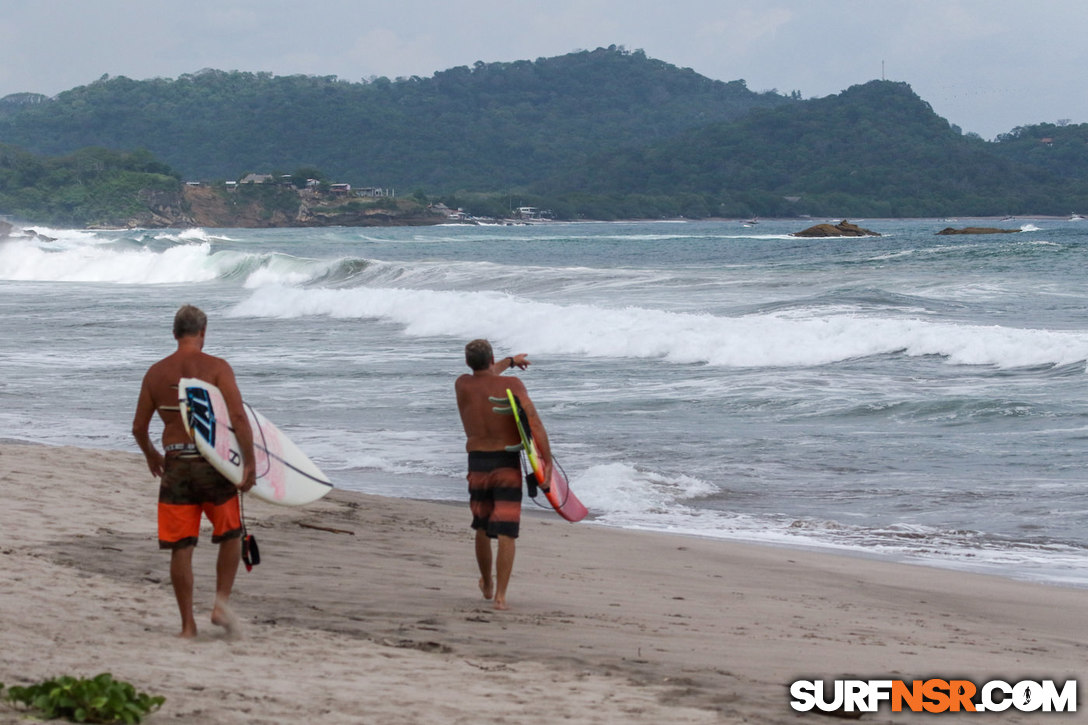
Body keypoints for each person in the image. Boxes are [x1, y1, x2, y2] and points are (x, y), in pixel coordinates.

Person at [132, 305, 256, 638]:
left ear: (174, 334)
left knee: (180, 545)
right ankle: (219, 605)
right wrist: (250, 463)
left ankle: (187, 626)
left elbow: (139, 427)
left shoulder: (156, 373)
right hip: (211, 464)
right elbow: (239, 419)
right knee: (230, 534)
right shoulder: (216, 368)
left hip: (175, 464)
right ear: (203, 332)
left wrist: (151, 455)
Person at [454, 339, 547, 611]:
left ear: (467, 363)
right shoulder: (513, 386)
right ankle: (501, 597)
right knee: (507, 530)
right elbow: (535, 425)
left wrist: (508, 361)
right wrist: (547, 465)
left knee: (481, 527)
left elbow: (487, 374)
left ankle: (486, 582)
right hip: (506, 462)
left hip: (477, 461)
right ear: (492, 357)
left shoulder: (462, 384)